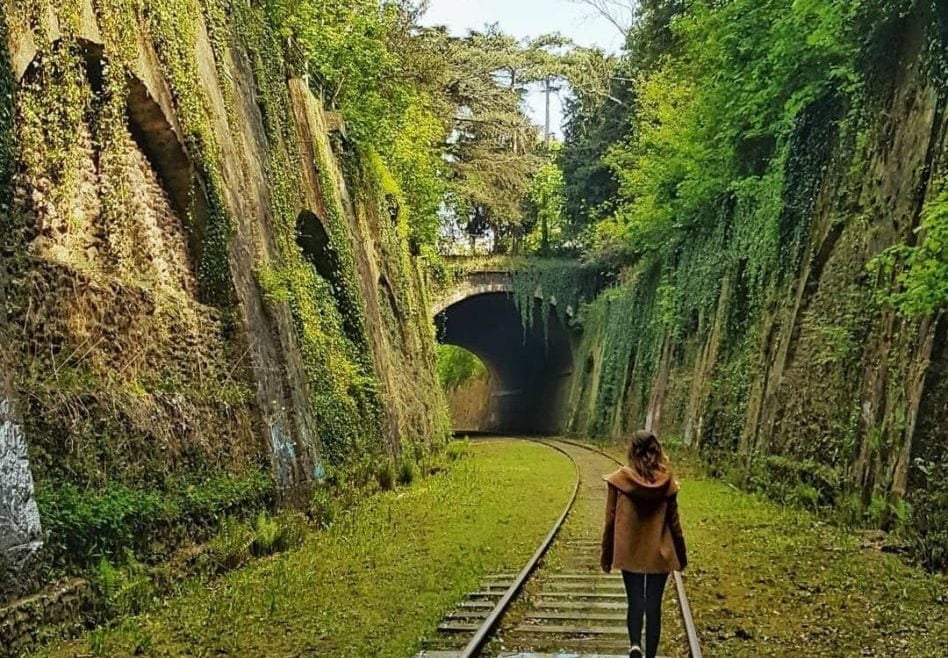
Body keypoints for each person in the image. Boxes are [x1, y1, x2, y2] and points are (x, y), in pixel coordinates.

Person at [600, 429, 687, 658]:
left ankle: (635, 643)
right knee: (654, 605)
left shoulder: (620, 480)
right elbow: (675, 524)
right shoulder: (667, 482)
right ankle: (650, 655)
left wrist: (607, 555)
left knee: (635, 599)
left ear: (632, 450)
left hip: (630, 551)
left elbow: (609, 520)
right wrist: (681, 555)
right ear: (656, 450)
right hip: (660, 552)